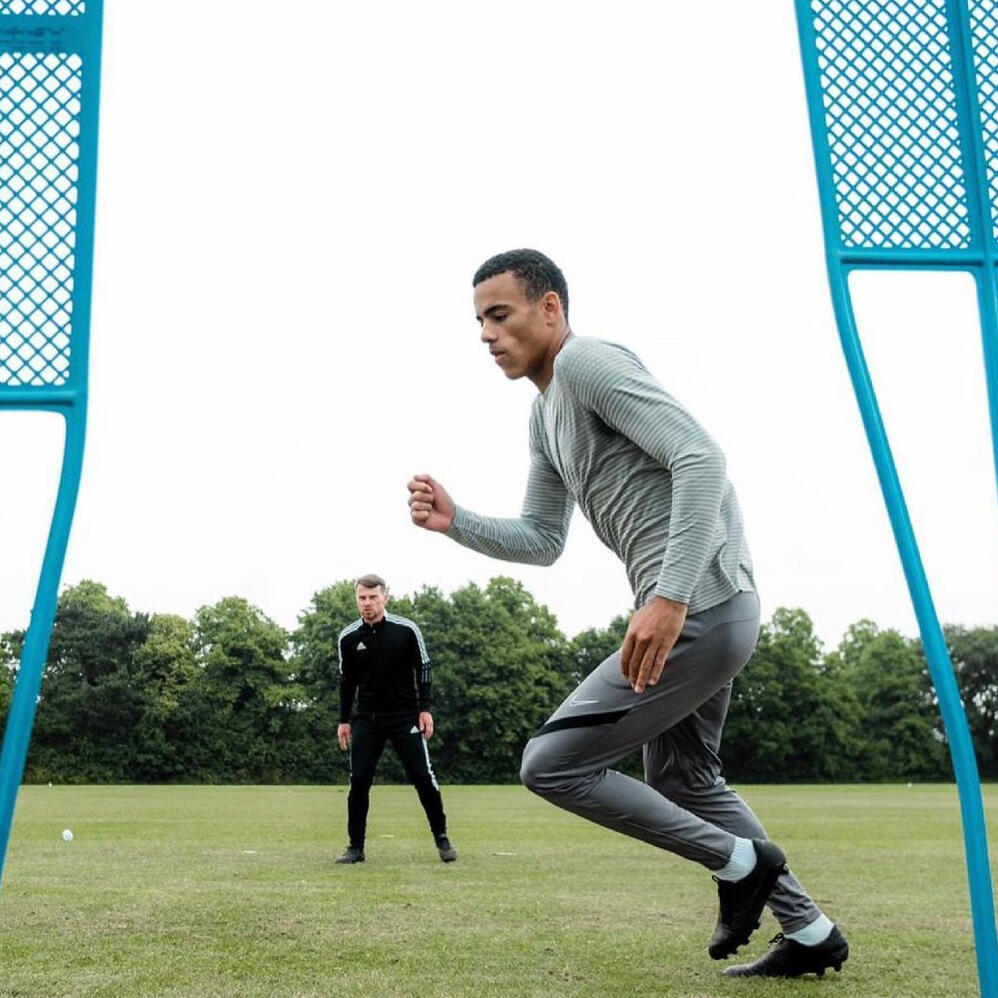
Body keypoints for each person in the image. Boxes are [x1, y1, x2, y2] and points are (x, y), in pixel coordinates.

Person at [406, 249, 848, 978]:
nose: (486, 334)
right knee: (686, 779)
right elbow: (543, 538)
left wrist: (669, 597)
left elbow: (700, 458)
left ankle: (740, 864)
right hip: (703, 611)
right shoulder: (545, 415)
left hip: (697, 605)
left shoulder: (587, 363)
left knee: (551, 764)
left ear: (550, 308)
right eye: (479, 321)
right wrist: (458, 522)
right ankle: (810, 932)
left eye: (500, 315)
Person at [335, 573, 457, 865]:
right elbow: (346, 681)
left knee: (422, 776)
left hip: (405, 717)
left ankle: (442, 838)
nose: (367, 603)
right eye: (362, 598)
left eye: (373, 597)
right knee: (359, 780)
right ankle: (355, 847)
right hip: (367, 718)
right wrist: (344, 720)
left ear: (385, 598)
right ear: (356, 600)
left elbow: (424, 667)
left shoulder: (407, 630)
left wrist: (425, 709)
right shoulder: (348, 637)